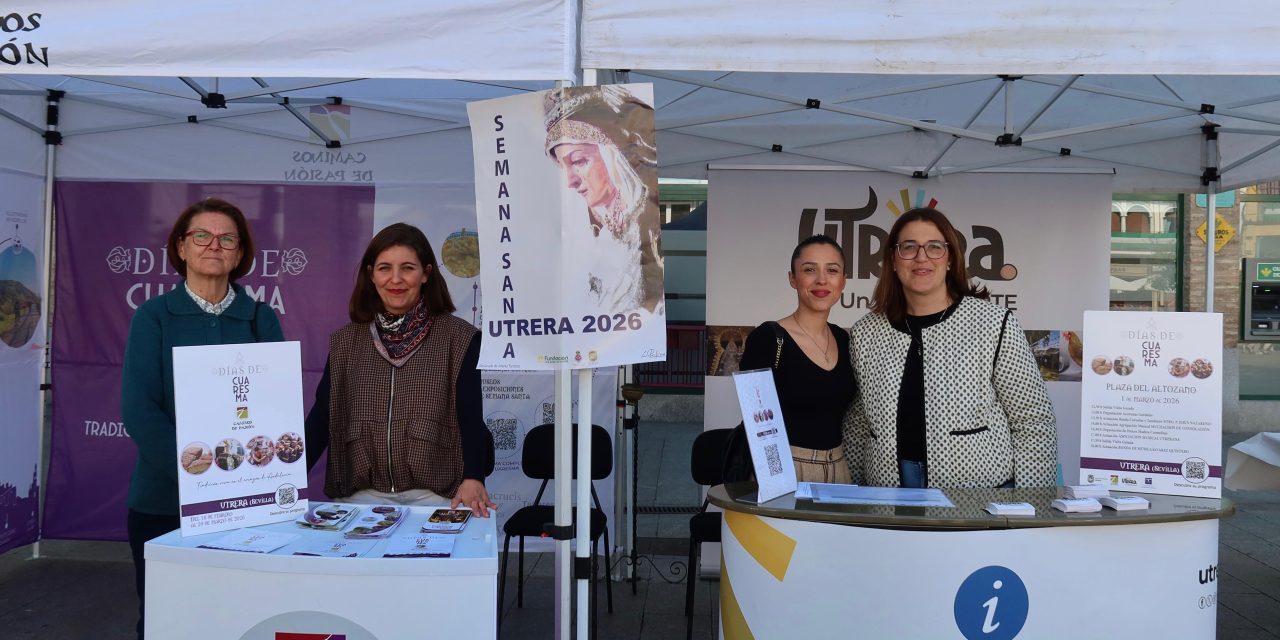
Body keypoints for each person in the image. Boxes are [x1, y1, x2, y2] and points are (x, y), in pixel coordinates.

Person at [122, 197, 284, 639]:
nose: (214, 245)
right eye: (202, 236)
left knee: (239, 619)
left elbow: (275, 410)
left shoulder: (260, 318)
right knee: (167, 620)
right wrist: (199, 477)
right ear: (181, 247)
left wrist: (235, 481)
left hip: (245, 508)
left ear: (240, 251)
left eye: (227, 238)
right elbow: (140, 411)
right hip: (164, 503)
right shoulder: (153, 317)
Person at [843, 207, 1057, 489]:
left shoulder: (993, 323)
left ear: (950, 259)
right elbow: (859, 424)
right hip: (888, 494)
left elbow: (1033, 420)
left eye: (934, 247)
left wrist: (1031, 500)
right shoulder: (866, 332)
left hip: (979, 497)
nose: (921, 257)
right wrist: (853, 497)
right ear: (893, 260)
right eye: (909, 247)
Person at [305, 223, 495, 516]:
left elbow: (470, 417)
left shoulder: (459, 338)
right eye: (385, 268)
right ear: (371, 275)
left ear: (426, 273)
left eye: (407, 268)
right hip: (361, 497)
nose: (396, 279)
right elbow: (321, 418)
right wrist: (282, 480)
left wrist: (473, 476)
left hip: (438, 496)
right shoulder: (346, 342)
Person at [738, 235, 855, 483]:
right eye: (809, 269)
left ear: (843, 281)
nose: (821, 279)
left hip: (839, 470)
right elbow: (757, 424)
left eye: (832, 270)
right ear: (793, 278)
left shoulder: (844, 340)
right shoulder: (766, 339)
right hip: (784, 468)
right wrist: (774, 483)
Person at [544, 85, 664, 315]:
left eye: (578, 161)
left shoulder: (647, 229)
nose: (570, 181)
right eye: (563, 167)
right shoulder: (593, 232)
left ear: (613, 156)